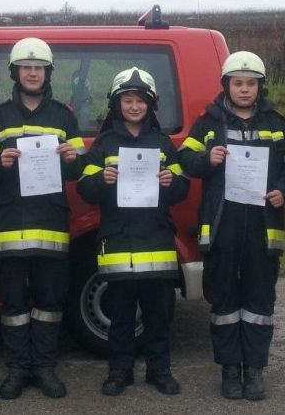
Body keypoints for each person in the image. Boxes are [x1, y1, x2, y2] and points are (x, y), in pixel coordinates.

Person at [179, 51, 285, 401]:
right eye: (238, 83)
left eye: (251, 84)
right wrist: (207, 158)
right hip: (222, 227)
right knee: (224, 302)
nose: (244, 90)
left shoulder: (277, 123)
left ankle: (255, 371)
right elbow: (185, 159)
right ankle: (230, 370)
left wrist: (284, 190)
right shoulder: (209, 122)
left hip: (263, 228)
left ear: (260, 86)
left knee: (260, 301)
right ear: (226, 85)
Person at [0, 37, 85, 399]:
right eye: (27, 67)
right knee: (12, 305)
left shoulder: (64, 116)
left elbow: (80, 170)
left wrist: (73, 159)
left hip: (51, 223)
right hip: (9, 223)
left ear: (47, 72)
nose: (33, 73)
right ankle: (17, 369)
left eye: (39, 68)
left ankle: (44, 367)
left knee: (50, 302)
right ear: (16, 72)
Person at [78, 67, 190, 397]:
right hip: (118, 242)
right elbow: (85, 187)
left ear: (150, 105)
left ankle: (160, 371)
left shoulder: (163, 144)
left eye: (141, 101)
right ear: (117, 104)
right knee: (121, 315)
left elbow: (182, 187)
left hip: (155, 241)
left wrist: (173, 182)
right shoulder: (103, 145)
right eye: (128, 100)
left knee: (157, 316)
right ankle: (119, 372)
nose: (134, 106)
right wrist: (102, 180)